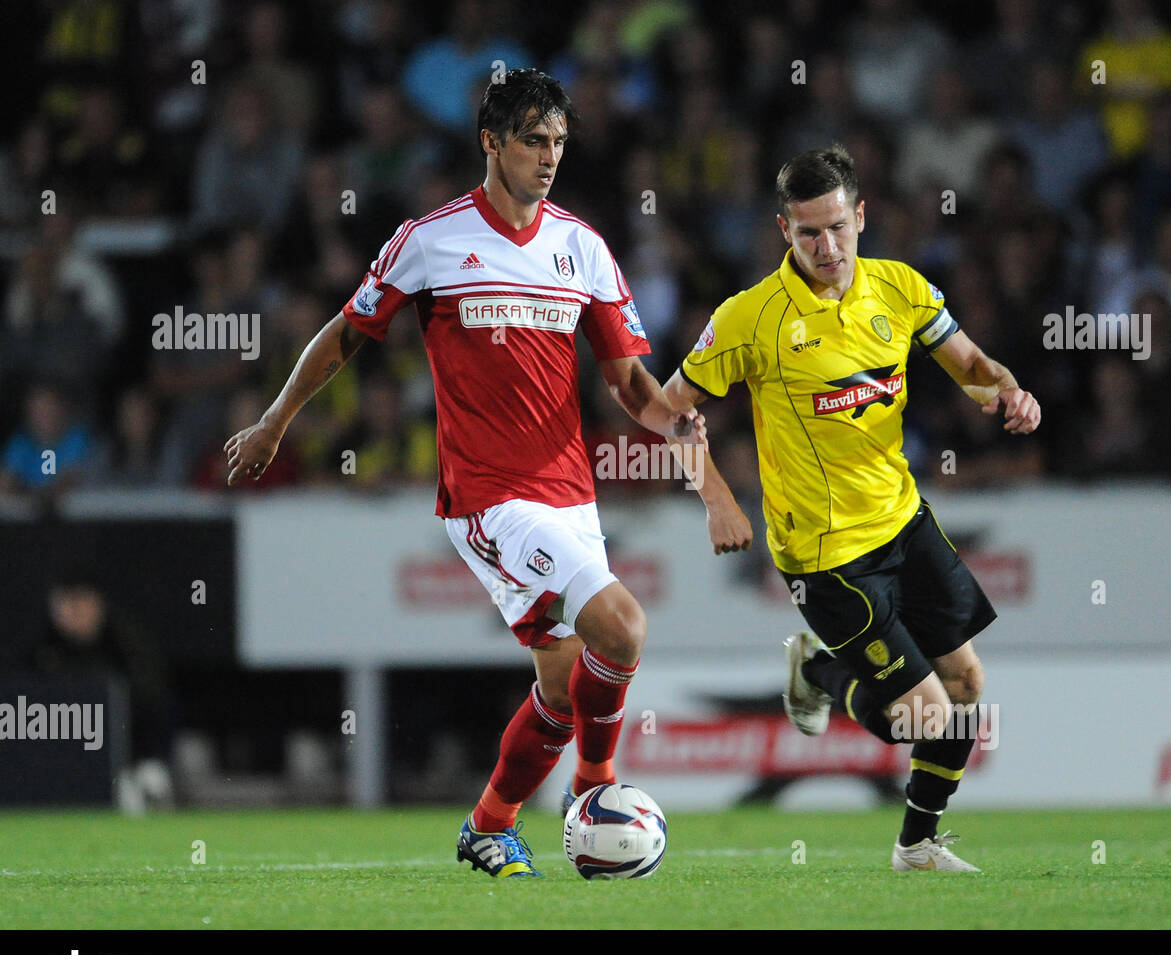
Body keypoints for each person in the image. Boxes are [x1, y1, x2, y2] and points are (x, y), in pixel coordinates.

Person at [224, 69, 706, 878]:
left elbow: (627, 384)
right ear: (491, 142)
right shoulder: (432, 239)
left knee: (560, 688)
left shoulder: (581, 246)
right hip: (488, 496)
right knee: (621, 627)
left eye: (558, 141)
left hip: (570, 496)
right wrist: (276, 421)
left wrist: (682, 435)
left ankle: (488, 825)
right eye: (531, 140)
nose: (549, 156)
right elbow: (345, 333)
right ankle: (596, 789)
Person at [661, 145, 1041, 871]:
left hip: (903, 518)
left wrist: (1007, 391)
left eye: (837, 226)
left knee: (965, 686)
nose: (826, 246)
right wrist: (716, 499)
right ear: (783, 231)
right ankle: (823, 672)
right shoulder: (751, 318)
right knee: (923, 715)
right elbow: (672, 411)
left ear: (861, 216)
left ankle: (918, 846)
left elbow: (971, 365)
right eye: (808, 233)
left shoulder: (898, 289)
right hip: (825, 553)